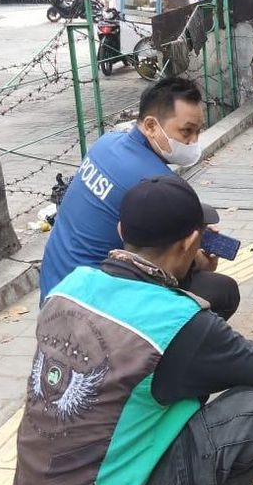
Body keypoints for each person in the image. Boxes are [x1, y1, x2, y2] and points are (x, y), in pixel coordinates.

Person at [16, 175, 253, 485]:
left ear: (123, 230)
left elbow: (152, 299)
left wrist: (184, 270)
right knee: (252, 411)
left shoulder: (71, 286)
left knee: (210, 310)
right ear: (190, 242)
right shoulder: (179, 325)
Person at [39, 78, 240, 320]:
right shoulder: (154, 183)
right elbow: (169, 265)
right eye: (186, 131)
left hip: (53, 292)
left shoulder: (105, 143)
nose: (193, 142)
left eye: (198, 131)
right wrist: (198, 260)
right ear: (151, 126)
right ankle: (168, 342)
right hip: (91, 311)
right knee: (222, 291)